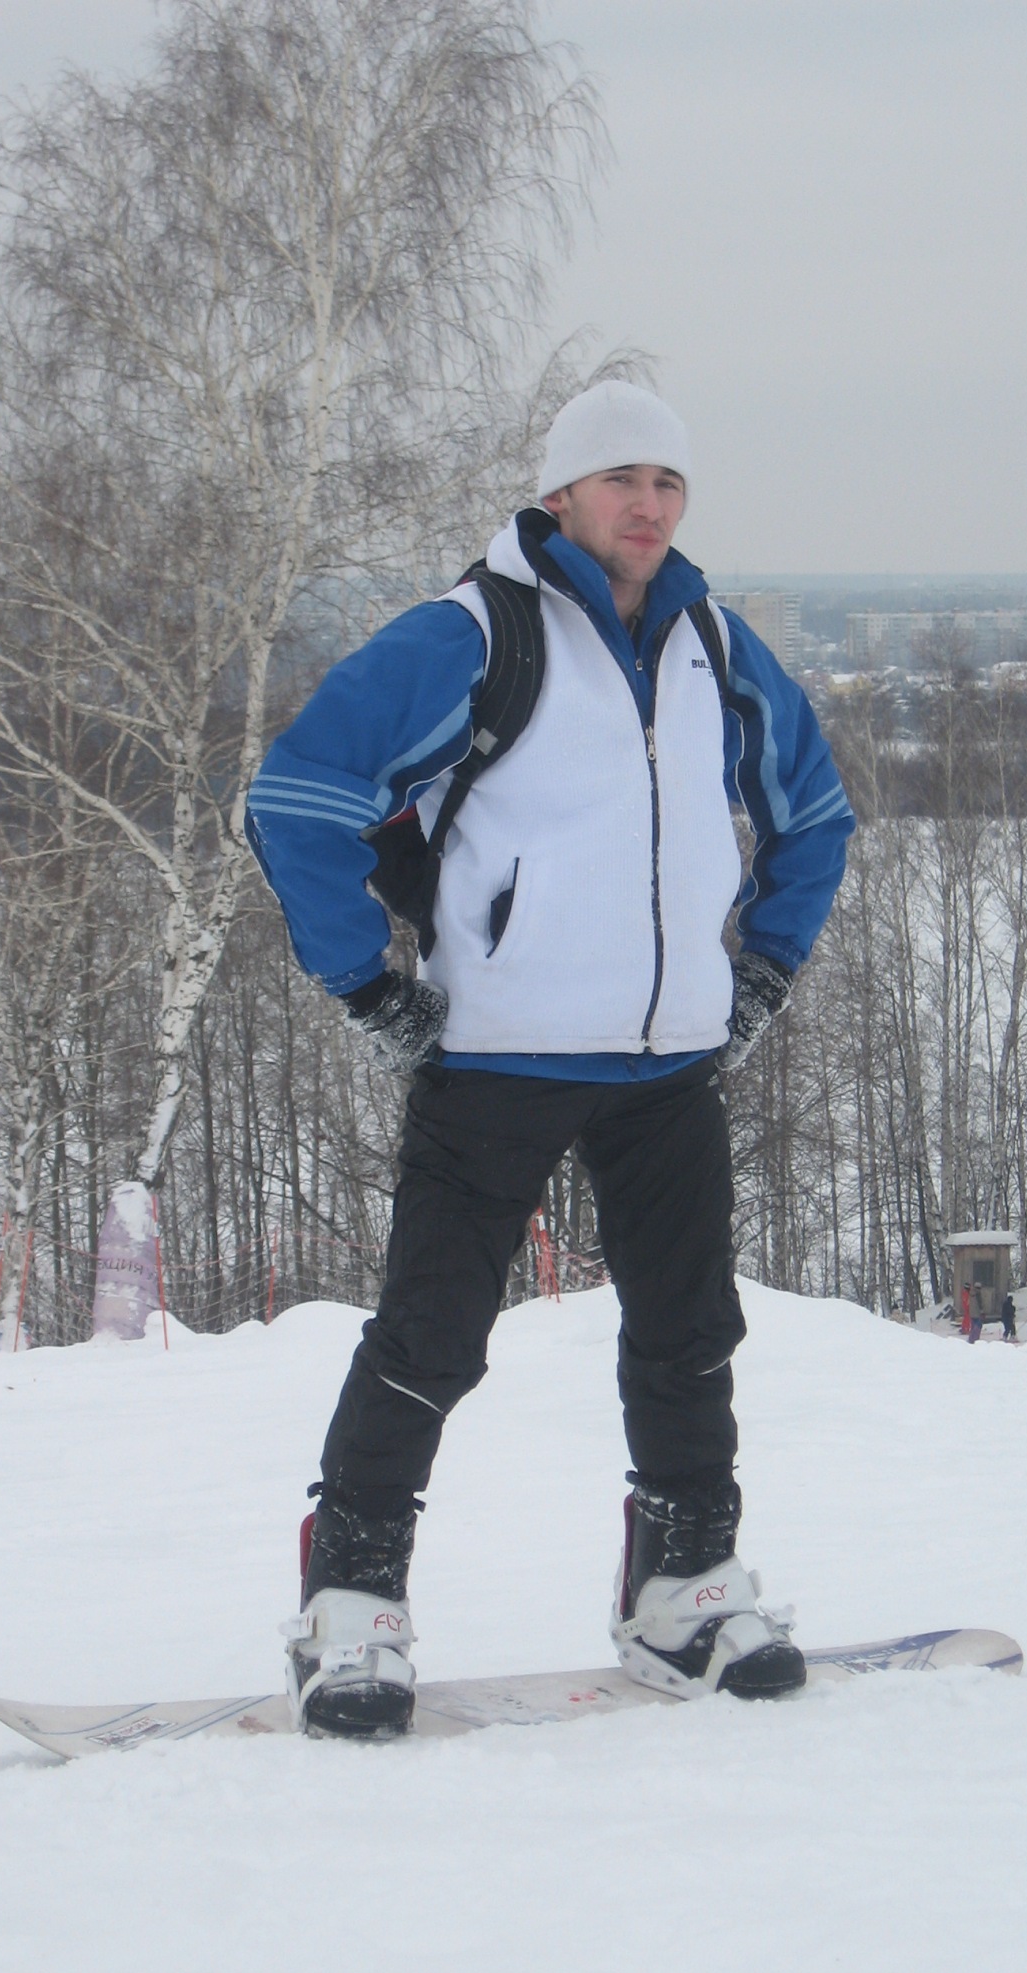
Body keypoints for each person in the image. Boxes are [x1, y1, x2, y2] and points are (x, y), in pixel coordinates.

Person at [247, 382, 855, 1738]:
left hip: (668, 1062)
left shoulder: (713, 645)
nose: (648, 504)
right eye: (620, 478)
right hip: (499, 1059)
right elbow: (297, 796)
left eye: (668, 481)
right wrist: (365, 984)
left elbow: (814, 811)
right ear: (561, 494)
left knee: (690, 1334)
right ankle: (354, 1605)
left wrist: (761, 970)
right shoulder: (474, 636)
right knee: (430, 1338)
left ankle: (684, 1590)